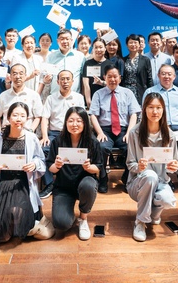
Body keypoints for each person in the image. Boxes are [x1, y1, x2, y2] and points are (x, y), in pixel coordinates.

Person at [0, 102, 52, 243]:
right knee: (2, 236)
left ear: (27, 119)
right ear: (8, 118)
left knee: (16, 213)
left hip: (23, 184)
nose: (18, 119)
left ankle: (21, 225)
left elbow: (40, 160)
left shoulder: (31, 138)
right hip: (2, 183)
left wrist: (34, 164)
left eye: (22, 116)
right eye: (15, 115)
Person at [126, 93, 178, 242]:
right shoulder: (134, 133)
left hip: (161, 182)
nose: (155, 111)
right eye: (151, 107)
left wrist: (173, 167)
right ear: (144, 109)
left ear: (163, 110)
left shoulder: (170, 135)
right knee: (150, 175)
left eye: (158, 107)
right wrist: (139, 167)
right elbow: (130, 164)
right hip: (138, 183)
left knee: (168, 200)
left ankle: (154, 213)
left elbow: (173, 166)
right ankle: (140, 221)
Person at [47, 106, 102, 240]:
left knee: (88, 185)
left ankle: (83, 218)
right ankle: (68, 212)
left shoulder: (92, 142)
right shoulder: (58, 141)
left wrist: (89, 167)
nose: (74, 124)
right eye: (71, 121)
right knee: (61, 224)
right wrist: (57, 166)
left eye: (79, 121)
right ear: (66, 122)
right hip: (63, 187)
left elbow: (98, 167)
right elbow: (50, 168)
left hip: (84, 183)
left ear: (85, 123)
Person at [89, 66, 140, 193]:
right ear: (104, 78)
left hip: (123, 130)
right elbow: (93, 115)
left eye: (115, 76)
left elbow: (134, 114)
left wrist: (129, 132)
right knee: (101, 147)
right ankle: (103, 178)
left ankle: (127, 177)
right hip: (105, 130)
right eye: (109, 76)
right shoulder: (98, 94)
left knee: (130, 147)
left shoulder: (128, 93)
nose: (112, 79)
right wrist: (100, 132)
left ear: (120, 78)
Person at [144, 64, 178, 190]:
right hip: (158, 129)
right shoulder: (150, 92)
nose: (166, 76)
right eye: (163, 74)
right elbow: (145, 113)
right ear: (158, 75)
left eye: (169, 74)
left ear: (174, 76)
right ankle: (166, 177)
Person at [39, 70, 86, 198]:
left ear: (72, 81)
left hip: (74, 134)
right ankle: (49, 184)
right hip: (55, 133)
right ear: (57, 81)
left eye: (68, 79)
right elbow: (45, 118)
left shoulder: (78, 97)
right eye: (62, 79)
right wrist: (45, 136)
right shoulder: (51, 98)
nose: (65, 82)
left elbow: (83, 119)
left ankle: (79, 183)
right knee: (43, 150)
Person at [0, 62, 43, 133]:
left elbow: (38, 117)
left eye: (21, 73)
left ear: (25, 76)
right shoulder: (3, 96)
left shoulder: (34, 95)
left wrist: (31, 131)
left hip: (26, 133)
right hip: (6, 134)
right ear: (10, 76)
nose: (18, 76)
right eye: (15, 74)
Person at [45, 29, 85, 95]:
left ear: (71, 40)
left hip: (74, 96)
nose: (65, 41)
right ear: (57, 41)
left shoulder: (80, 56)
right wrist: (46, 79)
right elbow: (46, 78)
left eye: (67, 39)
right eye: (62, 39)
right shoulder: (50, 57)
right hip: (55, 96)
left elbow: (84, 79)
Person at [121, 34, 152, 104]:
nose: (133, 44)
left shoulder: (145, 60)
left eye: (135, 42)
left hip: (141, 92)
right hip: (126, 92)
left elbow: (149, 79)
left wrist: (151, 94)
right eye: (131, 42)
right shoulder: (123, 60)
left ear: (139, 45)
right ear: (127, 45)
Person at [81, 38, 111, 105]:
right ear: (93, 49)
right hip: (91, 99)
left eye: (100, 47)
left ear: (105, 48)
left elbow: (112, 84)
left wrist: (102, 83)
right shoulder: (88, 63)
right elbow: (86, 84)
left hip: (106, 100)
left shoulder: (110, 64)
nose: (98, 50)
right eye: (96, 47)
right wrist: (88, 101)